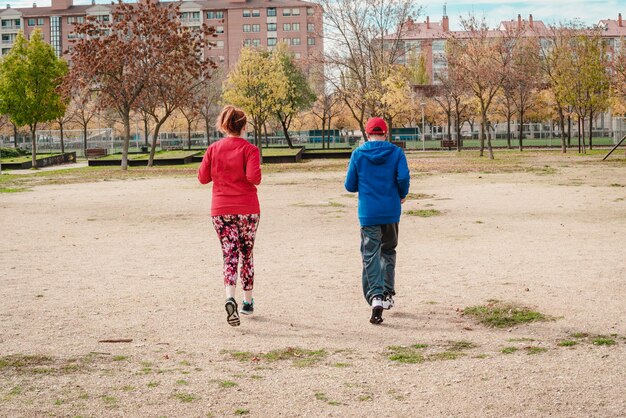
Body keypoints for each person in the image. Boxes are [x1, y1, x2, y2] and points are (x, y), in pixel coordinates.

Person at [198, 105, 261, 327]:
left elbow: (203, 178)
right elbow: (254, 178)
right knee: (247, 253)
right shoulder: (250, 149)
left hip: (221, 208)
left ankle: (229, 296)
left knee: (229, 253)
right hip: (247, 208)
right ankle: (247, 301)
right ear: (243, 126)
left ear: (224, 126)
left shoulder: (213, 149)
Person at [344, 117, 410, 324]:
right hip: (391, 211)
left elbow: (350, 185)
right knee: (388, 250)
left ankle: (376, 296)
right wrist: (401, 193)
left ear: (367, 132)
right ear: (386, 132)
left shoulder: (358, 154)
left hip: (369, 213)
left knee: (370, 254)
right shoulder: (396, 152)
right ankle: (388, 293)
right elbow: (403, 177)